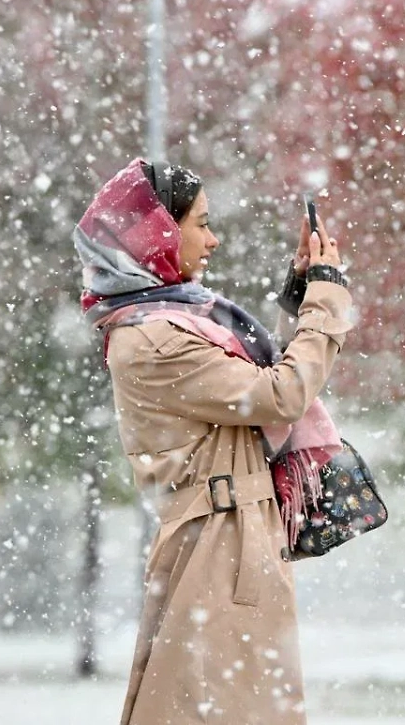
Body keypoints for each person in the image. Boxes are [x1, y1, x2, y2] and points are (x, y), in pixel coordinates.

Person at [73, 157, 354, 724]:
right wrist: (327, 301)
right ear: (159, 233)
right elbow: (279, 396)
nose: (213, 239)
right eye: (200, 223)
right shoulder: (153, 338)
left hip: (233, 539)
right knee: (215, 709)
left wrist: (302, 293)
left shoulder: (176, 322)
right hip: (217, 548)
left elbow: (253, 390)